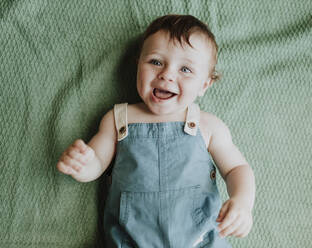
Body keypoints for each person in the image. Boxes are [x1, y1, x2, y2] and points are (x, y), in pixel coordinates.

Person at [57, 14, 255, 247]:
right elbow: (98, 163)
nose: (167, 74)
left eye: (185, 69)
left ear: (204, 84)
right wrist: (83, 164)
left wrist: (242, 202)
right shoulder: (118, 119)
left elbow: (236, 168)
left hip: (200, 240)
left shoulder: (208, 125)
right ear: (138, 65)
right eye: (156, 62)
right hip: (131, 240)